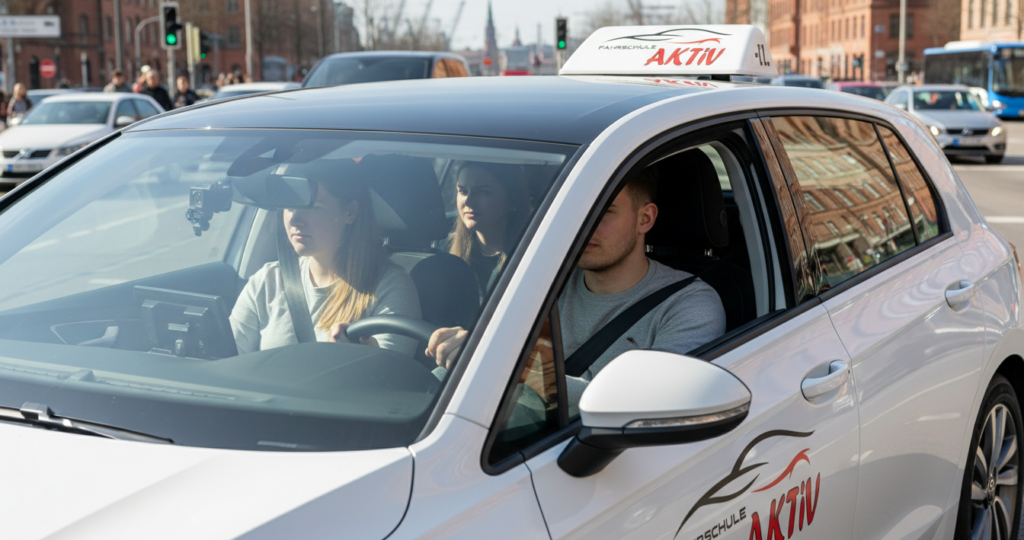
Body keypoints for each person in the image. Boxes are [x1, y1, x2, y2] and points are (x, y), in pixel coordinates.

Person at [426, 168, 726, 404]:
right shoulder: (546, 282)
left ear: (644, 218)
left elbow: (649, 405)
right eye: (578, 209)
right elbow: (491, 352)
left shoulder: (689, 304)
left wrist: (498, 368)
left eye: (606, 211)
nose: (584, 224)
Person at [230, 159, 422, 355]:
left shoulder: (389, 288)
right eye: (288, 206)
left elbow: (389, 376)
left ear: (350, 212)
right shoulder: (266, 281)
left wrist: (361, 355)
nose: (294, 219)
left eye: (311, 207)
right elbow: (226, 359)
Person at [447, 161, 530, 299]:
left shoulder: (533, 258)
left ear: (512, 200)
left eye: (482, 191)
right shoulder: (446, 251)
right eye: (462, 191)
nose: (468, 200)